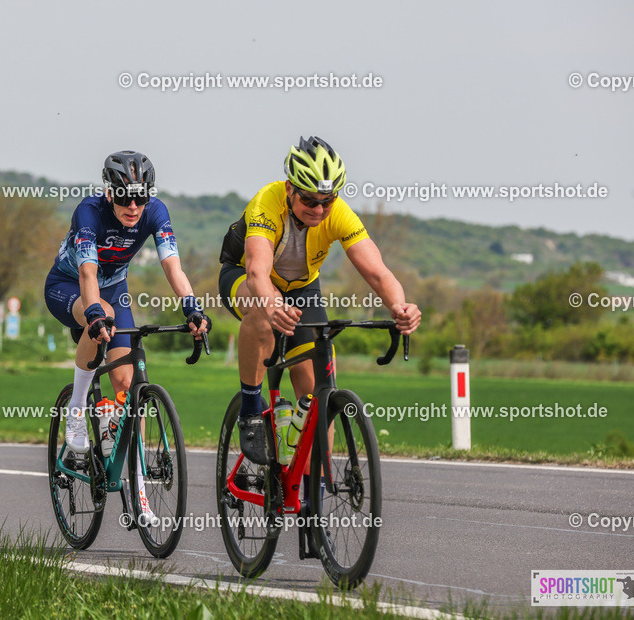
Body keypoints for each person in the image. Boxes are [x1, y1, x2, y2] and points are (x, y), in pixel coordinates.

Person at [219, 135, 421, 497]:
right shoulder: (268, 203)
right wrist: (272, 305)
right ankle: (251, 407)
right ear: (290, 189)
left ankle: (313, 486)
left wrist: (399, 305)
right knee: (264, 315)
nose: (318, 209)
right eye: (309, 200)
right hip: (245, 278)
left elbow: (376, 270)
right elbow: (257, 274)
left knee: (317, 390)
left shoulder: (338, 213)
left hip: (301, 287)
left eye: (326, 201)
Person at [45, 150, 209, 521]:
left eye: (141, 197)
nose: (133, 206)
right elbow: (87, 274)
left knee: (125, 385)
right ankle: (76, 412)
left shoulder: (155, 212)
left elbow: (172, 264)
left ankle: (138, 494)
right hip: (68, 285)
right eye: (124, 197)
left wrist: (192, 307)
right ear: (109, 193)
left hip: (115, 285)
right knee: (99, 314)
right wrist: (92, 312)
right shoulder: (89, 212)